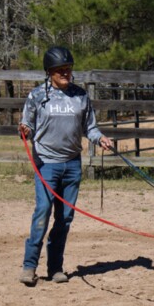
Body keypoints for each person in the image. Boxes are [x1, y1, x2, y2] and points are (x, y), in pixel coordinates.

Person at [18, 46, 113, 286]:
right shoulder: (38, 96)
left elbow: (89, 127)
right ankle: (29, 266)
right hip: (46, 164)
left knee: (65, 218)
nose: (65, 73)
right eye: (60, 70)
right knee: (42, 211)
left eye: (68, 69)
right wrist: (25, 130)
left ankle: (55, 267)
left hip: (71, 165)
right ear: (49, 71)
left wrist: (100, 137)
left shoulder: (80, 96)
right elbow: (26, 124)